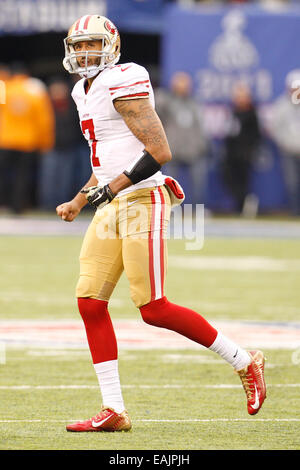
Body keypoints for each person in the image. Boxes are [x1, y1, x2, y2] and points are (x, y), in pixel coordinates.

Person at [56, 15, 266, 433]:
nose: (84, 53)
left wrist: (110, 188)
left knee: (152, 308)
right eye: (77, 46)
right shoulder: (83, 90)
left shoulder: (126, 78)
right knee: (90, 302)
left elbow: (159, 150)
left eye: (92, 44)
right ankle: (114, 409)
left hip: (143, 197)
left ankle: (246, 361)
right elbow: (107, 159)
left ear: (112, 45)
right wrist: (81, 198)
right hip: (113, 199)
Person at [0, 63, 54, 213]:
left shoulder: (6, 89)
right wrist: (45, 142)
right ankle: (17, 207)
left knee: (3, 174)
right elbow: (44, 120)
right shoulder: (35, 92)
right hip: (27, 142)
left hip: (6, 140)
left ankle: (3, 203)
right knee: (22, 177)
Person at [155, 71, 208, 205]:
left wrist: (201, 145)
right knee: (168, 182)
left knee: (198, 182)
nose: (183, 86)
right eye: (180, 83)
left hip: (193, 150)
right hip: (173, 149)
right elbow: (155, 108)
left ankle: (198, 208)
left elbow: (200, 125)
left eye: (185, 83)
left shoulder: (194, 103)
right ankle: (169, 208)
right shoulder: (167, 101)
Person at [38, 77, 80, 210]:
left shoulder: (72, 105)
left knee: (65, 178)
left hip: (68, 146)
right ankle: (47, 204)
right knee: (49, 178)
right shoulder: (46, 105)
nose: (58, 92)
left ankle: (62, 203)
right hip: (51, 146)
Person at [222, 82, 261, 215]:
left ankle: (245, 205)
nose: (239, 99)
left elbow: (256, 135)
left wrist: (249, 151)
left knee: (244, 181)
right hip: (231, 154)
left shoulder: (251, 113)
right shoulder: (233, 112)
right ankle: (239, 204)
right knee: (230, 178)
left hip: (244, 154)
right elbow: (229, 132)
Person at [267, 69, 300, 216]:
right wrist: (286, 144)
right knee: (292, 184)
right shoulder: (281, 106)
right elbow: (274, 129)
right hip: (288, 151)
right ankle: (295, 212)